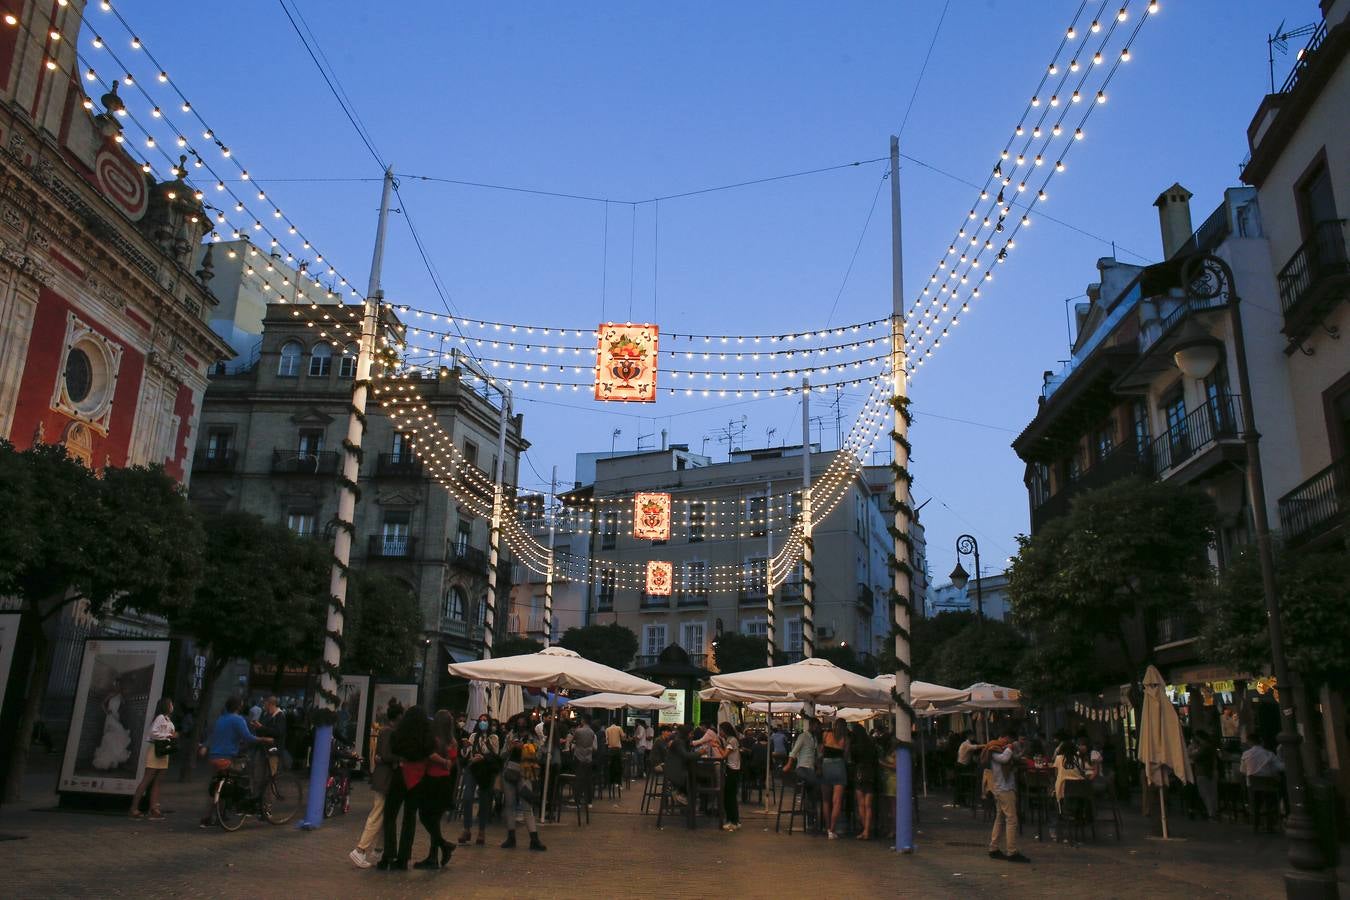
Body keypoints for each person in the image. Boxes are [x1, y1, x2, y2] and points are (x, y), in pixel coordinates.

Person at [350, 699, 403, 868]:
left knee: (383, 814)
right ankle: (360, 849)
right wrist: (399, 759)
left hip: (383, 777)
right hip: (386, 778)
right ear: (399, 716)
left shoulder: (384, 731)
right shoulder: (390, 732)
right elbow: (386, 755)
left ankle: (378, 849)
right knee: (378, 813)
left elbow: (381, 756)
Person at [199, 697, 267, 828]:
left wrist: (205, 747)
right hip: (227, 757)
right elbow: (247, 737)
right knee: (243, 776)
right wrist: (263, 739)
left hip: (214, 756)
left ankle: (210, 816)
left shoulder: (221, 719)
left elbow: (213, 736)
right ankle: (239, 806)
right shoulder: (238, 719)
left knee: (216, 785)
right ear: (239, 707)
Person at [386, 706, 433, 870]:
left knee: (390, 815)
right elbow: (429, 750)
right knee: (410, 818)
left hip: (401, 774)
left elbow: (394, 748)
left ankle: (389, 853)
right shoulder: (426, 735)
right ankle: (403, 858)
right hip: (419, 777)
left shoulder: (400, 734)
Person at [413, 710, 456, 869]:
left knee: (425, 815)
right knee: (435, 819)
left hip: (432, 780)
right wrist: (446, 762)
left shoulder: (434, 739)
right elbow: (453, 760)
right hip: (445, 782)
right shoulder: (452, 742)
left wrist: (441, 761)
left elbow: (429, 754)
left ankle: (443, 846)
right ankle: (434, 855)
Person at [985, 726, 1029, 863]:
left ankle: (994, 847)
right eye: (1010, 740)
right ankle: (1012, 850)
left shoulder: (999, 748)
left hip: (1001, 787)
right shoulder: (994, 748)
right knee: (1011, 819)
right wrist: (1010, 748)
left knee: (1000, 817)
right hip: (1003, 788)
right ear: (1006, 738)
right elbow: (1004, 759)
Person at [130, 697, 175, 820]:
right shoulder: (160, 717)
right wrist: (167, 735)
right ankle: (134, 808)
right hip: (156, 750)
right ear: (166, 705)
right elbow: (152, 733)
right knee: (147, 780)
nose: (172, 706)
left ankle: (154, 808)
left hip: (163, 751)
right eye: (171, 704)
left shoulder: (167, 719)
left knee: (158, 781)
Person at [458, 713, 500, 845]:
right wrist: (465, 747)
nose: (483, 722)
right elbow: (467, 754)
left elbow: (495, 754)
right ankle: (467, 829)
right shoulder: (473, 736)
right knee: (467, 797)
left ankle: (481, 831)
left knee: (484, 801)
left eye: (485, 720)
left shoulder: (493, 737)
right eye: (481, 720)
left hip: (486, 771)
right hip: (473, 769)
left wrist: (482, 757)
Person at [501, 745, 547, 851]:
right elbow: (502, 754)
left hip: (525, 773)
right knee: (510, 804)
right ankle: (511, 837)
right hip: (509, 772)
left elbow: (539, 755)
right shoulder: (511, 735)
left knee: (527, 806)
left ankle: (534, 839)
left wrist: (527, 750)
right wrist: (510, 748)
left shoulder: (533, 739)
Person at [92, 680, 132, 771]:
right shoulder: (111, 694)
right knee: (118, 732)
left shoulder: (121, 696)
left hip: (116, 716)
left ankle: (110, 761)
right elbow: (102, 703)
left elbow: (124, 706)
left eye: (119, 685)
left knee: (113, 737)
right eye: (116, 685)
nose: (117, 687)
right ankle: (106, 760)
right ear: (114, 686)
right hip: (110, 717)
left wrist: (121, 707)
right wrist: (107, 712)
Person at [820, 718, 849, 839]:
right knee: (837, 801)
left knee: (826, 800)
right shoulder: (845, 739)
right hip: (839, 766)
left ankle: (827, 829)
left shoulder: (826, 734)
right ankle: (832, 829)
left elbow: (821, 751)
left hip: (826, 766)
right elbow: (846, 756)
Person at [849, 723, 878, 840]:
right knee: (868, 805)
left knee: (861, 804)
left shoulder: (855, 746)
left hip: (859, 773)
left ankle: (865, 829)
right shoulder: (871, 743)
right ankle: (867, 830)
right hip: (870, 773)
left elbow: (852, 759)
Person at [717, 722, 742, 832]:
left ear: (725, 730)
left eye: (721, 730)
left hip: (732, 771)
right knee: (729, 796)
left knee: (729, 797)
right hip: (732, 770)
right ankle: (733, 820)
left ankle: (733, 822)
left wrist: (717, 746)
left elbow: (723, 755)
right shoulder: (730, 740)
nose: (720, 732)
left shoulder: (732, 740)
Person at [1189, 729, 1218, 820]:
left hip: (1203, 772)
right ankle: (1212, 811)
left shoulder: (1204, 747)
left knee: (1205, 793)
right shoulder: (1208, 746)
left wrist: (1192, 753)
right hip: (1208, 772)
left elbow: (1195, 756)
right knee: (1211, 792)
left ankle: (1211, 813)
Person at [570, 714, 597, 808]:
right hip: (588, 758)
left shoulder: (578, 731)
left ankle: (577, 801)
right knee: (588, 780)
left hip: (579, 756)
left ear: (583, 720)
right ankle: (589, 801)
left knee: (578, 779)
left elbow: (573, 741)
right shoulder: (592, 732)